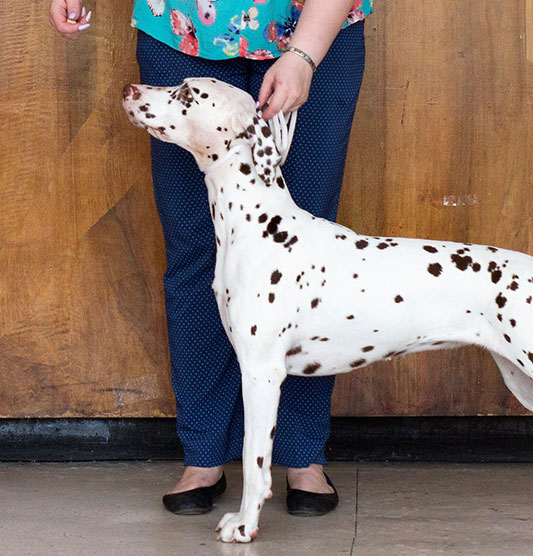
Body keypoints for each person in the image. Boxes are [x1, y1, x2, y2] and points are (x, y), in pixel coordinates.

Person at [49, 0, 371, 516]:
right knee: (198, 250)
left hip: (315, 35)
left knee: (306, 261)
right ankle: (204, 454)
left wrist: (304, 56)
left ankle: (301, 454)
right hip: (181, 33)